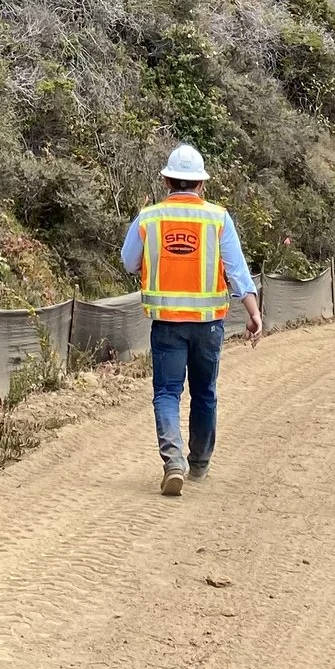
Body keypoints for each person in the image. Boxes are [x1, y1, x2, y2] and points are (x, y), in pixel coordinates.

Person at [119, 143, 264, 496]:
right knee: (205, 393)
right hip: (208, 326)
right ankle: (198, 462)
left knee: (167, 392)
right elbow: (236, 270)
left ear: (167, 181)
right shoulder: (217, 218)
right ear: (201, 184)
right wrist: (254, 312)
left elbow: (128, 261)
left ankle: (173, 461)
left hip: (166, 325)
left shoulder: (149, 218)